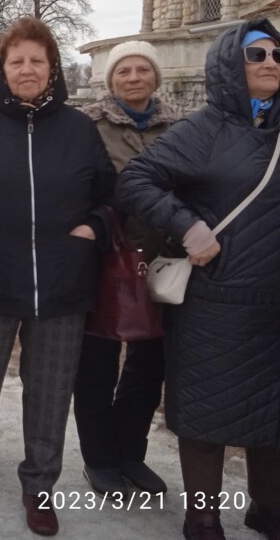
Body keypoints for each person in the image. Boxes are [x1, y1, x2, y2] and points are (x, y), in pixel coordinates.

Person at [0, 16, 116, 538]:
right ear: (0, 69)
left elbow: (109, 194)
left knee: (50, 392)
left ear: (52, 69)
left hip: (62, 283)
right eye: (17, 61)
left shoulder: (79, 129)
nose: (27, 69)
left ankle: (39, 488)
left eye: (37, 60)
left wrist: (92, 228)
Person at [117, 20, 280, 540]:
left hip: (273, 301)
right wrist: (188, 226)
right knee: (207, 413)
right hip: (217, 301)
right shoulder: (205, 129)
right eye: (257, 55)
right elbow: (135, 181)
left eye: (278, 53)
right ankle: (203, 518)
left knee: (272, 416)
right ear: (232, 64)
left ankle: (268, 509)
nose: (271, 62)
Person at [71, 41, 178, 498]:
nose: (134, 78)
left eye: (142, 70)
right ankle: (99, 459)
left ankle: (130, 452)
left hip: (166, 261)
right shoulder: (88, 127)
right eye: (124, 72)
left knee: (149, 364)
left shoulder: (180, 128)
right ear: (110, 80)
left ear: (155, 76)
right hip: (107, 259)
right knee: (96, 364)